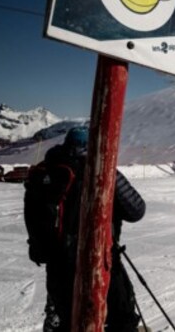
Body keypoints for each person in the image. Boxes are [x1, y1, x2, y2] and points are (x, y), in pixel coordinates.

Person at [34, 127, 146, 332]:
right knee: (122, 318)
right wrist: (112, 172)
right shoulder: (101, 171)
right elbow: (136, 211)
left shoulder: (46, 170)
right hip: (102, 260)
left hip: (59, 264)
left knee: (67, 321)